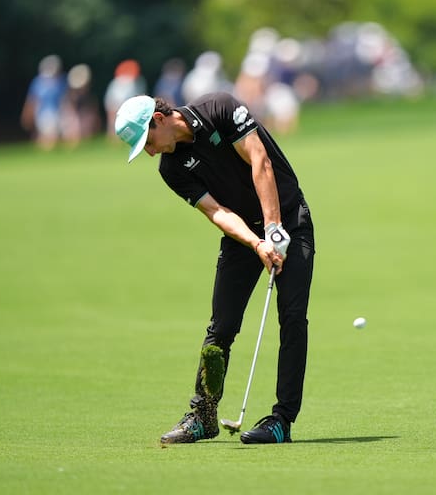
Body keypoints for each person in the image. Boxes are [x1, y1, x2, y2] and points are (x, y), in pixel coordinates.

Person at [114, 92, 315, 445]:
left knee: (292, 317)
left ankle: (281, 419)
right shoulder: (171, 169)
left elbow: (260, 160)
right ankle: (203, 415)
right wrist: (256, 242)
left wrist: (273, 228)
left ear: (159, 120)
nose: (148, 152)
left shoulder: (219, 109)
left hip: (289, 221)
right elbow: (216, 212)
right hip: (244, 236)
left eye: (146, 141)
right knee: (220, 328)